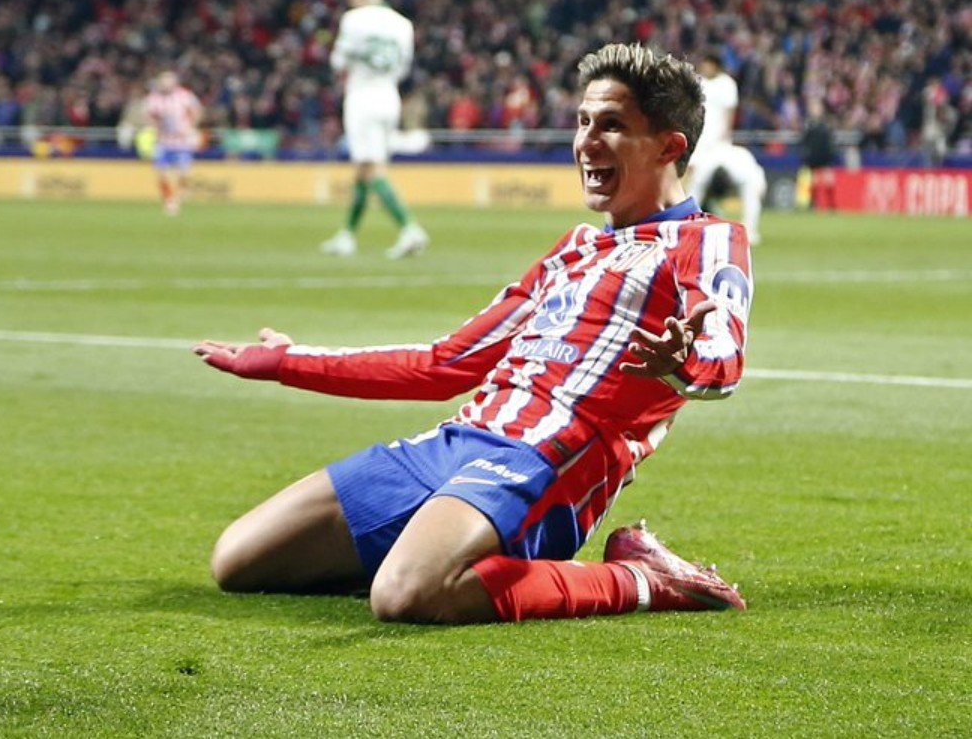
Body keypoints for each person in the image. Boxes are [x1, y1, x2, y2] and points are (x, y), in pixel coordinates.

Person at [195, 43, 752, 624]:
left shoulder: (706, 240)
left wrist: (682, 366)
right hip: (460, 443)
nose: (586, 142)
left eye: (612, 126)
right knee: (238, 561)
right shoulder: (573, 250)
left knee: (407, 596)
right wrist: (288, 362)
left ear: (669, 146)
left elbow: (723, 355)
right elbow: (446, 365)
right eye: (583, 121)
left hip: (549, 460)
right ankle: (444, 556)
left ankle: (640, 578)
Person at [319, 0, 428, 259]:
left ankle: (409, 228)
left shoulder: (354, 19)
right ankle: (347, 235)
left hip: (362, 95)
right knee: (363, 170)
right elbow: (403, 68)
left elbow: (338, 61)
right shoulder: (404, 24)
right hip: (389, 96)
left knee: (372, 169)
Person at [685, 53, 766, 245]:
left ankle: (750, 229)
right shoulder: (696, 83)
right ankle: (688, 225)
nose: (705, 68)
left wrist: (725, 135)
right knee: (694, 184)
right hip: (700, 143)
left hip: (719, 145)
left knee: (698, 184)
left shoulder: (726, 84)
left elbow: (730, 112)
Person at [143, 70, 203, 216]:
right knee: (162, 173)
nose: (166, 84)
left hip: (182, 142)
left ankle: (178, 199)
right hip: (164, 142)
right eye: (163, 81)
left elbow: (197, 111)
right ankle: (169, 201)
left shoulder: (185, 96)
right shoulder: (154, 98)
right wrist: (155, 127)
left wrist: (191, 127)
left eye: (168, 81)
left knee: (183, 173)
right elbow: (148, 115)